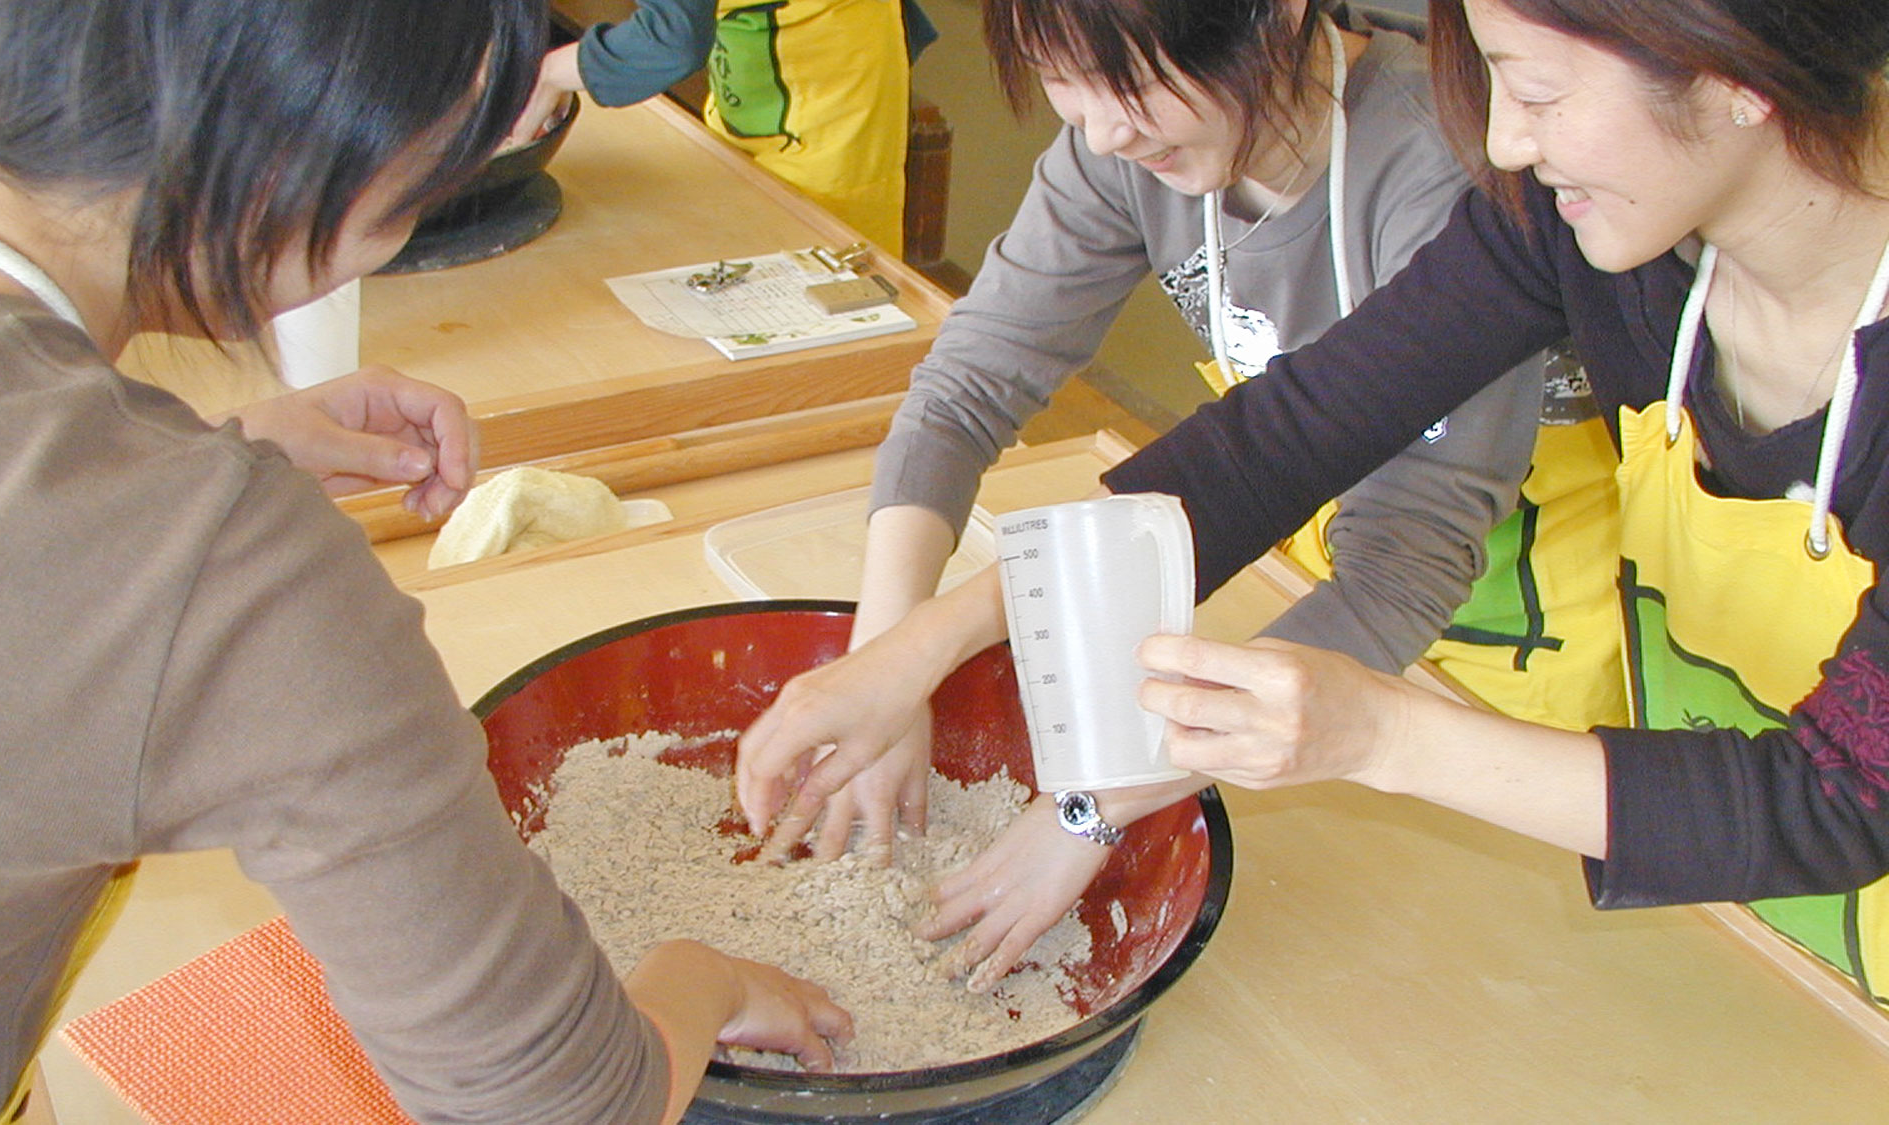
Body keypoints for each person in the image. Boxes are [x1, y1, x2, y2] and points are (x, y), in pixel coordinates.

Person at [735, 0, 1889, 1012]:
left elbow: (1844, 798)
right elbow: (1277, 443)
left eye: (1534, 90)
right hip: (1717, 824)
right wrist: (912, 648)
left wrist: (1371, 730)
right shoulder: (1565, 232)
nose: (1499, 139)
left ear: (1732, 73)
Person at [0, 1, 851, 1122]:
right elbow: (551, 1104)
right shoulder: (214, 558)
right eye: (414, 196)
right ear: (283, 174)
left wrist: (208, 455)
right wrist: (702, 977)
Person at [797, 0, 1618, 906]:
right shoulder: (1126, 146)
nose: (1102, 129)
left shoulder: (1439, 165)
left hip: (1521, 648)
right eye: (1059, 79)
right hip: (1304, 591)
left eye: (1131, 82)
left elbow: (1405, 562)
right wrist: (885, 666)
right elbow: (968, 386)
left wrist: (1095, 804)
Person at [503, 0, 938, 255]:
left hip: (831, 84)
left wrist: (550, 74)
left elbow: (671, 40)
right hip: (749, 69)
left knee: (825, 274)